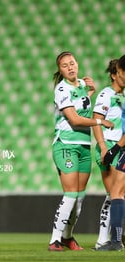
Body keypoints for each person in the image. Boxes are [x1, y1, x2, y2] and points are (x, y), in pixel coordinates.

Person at [48, 51, 114, 251]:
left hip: (84, 145)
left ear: (77, 64)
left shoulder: (82, 86)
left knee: (79, 197)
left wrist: (90, 92)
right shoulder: (61, 89)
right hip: (66, 144)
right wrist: (100, 121)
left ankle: (68, 237)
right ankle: (54, 239)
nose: (70, 67)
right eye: (65, 65)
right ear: (60, 70)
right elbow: (75, 119)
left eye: (72, 63)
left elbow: (81, 105)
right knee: (70, 194)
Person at [92, 59, 125, 249]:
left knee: (115, 195)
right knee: (115, 194)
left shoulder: (122, 96)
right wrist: (104, 148)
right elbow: (97, 121)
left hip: (119, 147)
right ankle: (106, 239)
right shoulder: (106, 94)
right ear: (114, 74)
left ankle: (109, 238)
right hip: (111, 147)